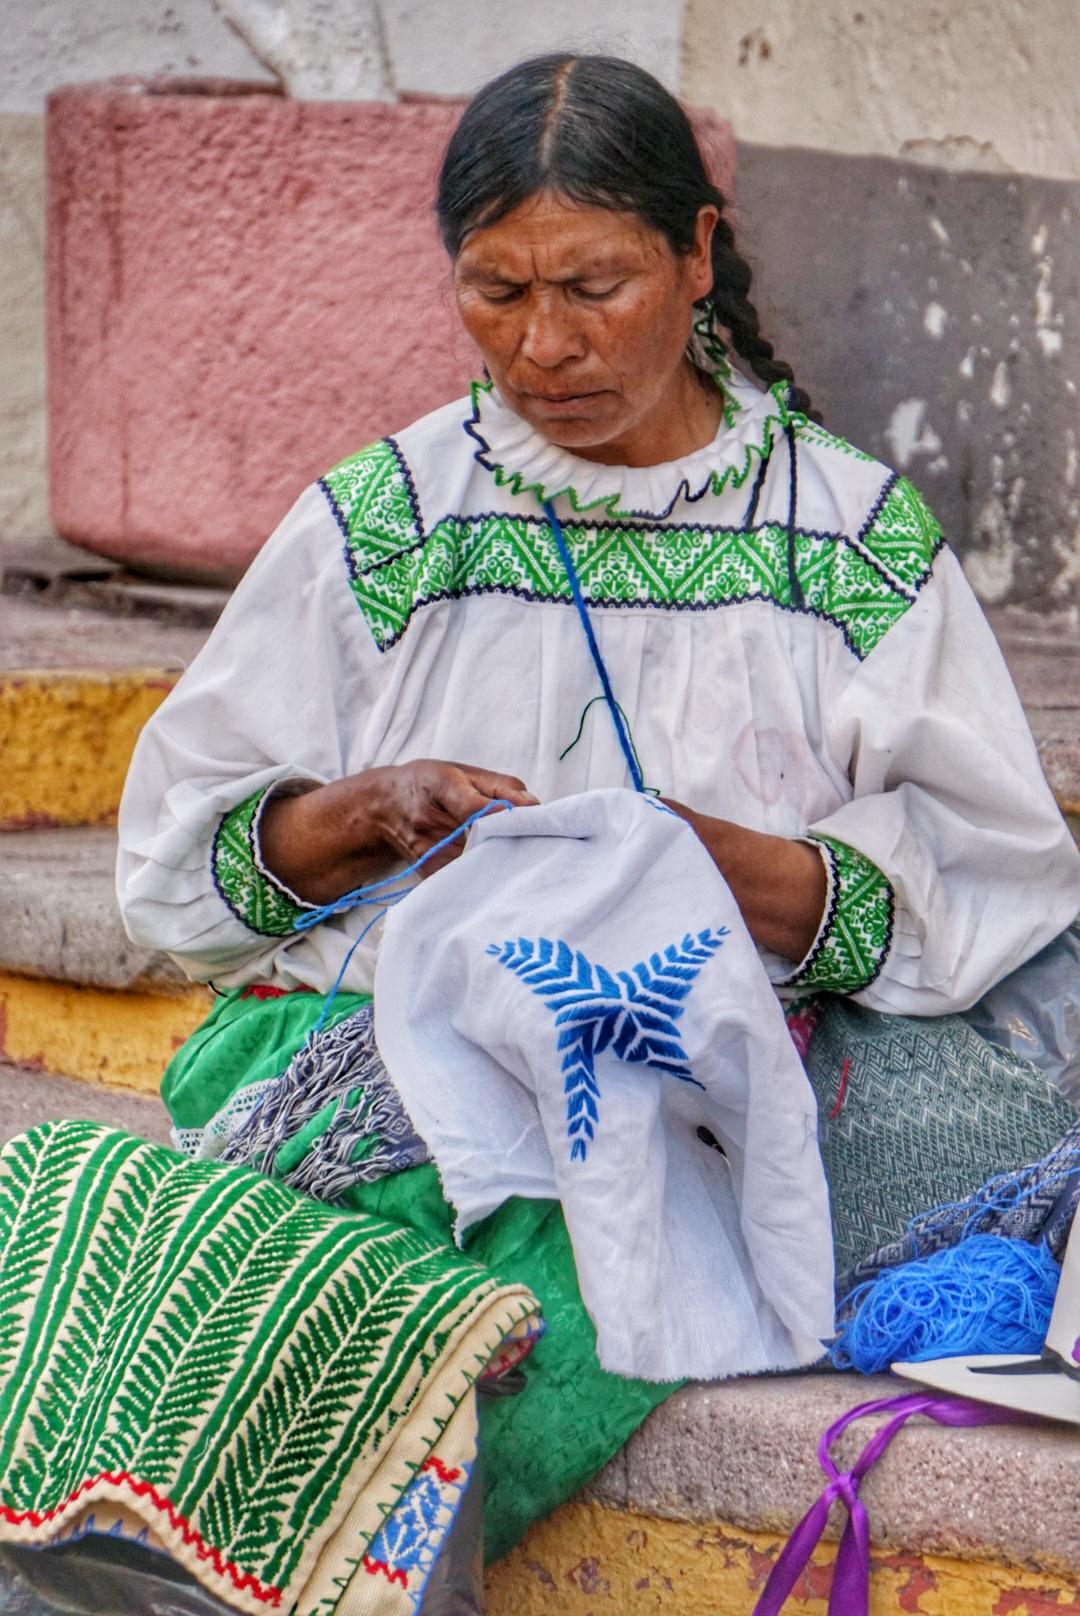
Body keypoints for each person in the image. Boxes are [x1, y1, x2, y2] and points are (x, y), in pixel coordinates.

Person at [117, 51, 1080, 1570]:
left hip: (736, 1049)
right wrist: (361, 814)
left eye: (595, 284)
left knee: (596, 1233)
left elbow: (996, 872)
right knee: (410, 1225)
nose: (543, 345)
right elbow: (183, 866)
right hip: (413, 1038)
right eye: (495, 291)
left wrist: (708, 875)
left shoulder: (841, 532)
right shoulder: (390, 521)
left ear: (699, 254)